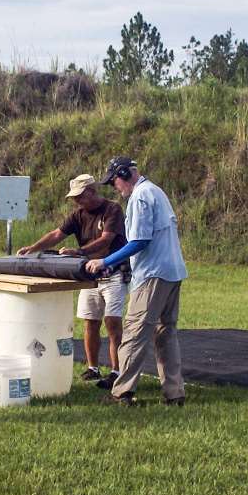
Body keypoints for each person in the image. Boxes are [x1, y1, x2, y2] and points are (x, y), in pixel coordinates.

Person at [85, 156, 188, 407]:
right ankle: (174, 393)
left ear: (123, 174)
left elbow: (140, 241)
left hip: (152, 274)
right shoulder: (155, 191)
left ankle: (122, 393)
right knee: (166, 334)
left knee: (134, 333)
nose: (114, 188)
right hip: (172, 272)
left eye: (114, 182)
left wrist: (105, 261)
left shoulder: (140, 196)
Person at [17, 173, 129, 385]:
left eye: (80, 196)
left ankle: (116, 372)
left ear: (91, 191)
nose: (76, 201)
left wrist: (78, 252)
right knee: (90, 321)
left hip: (113, 272)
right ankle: (93, 368)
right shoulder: (78, 215)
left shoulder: (112, 209)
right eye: (75, 197)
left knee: (112, 323)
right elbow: (56, 234)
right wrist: (33, 248)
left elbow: (106, 241)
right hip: (89, 274)